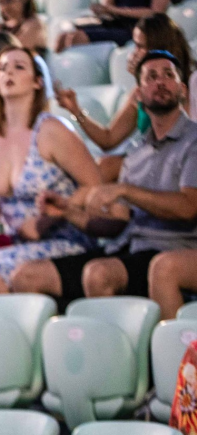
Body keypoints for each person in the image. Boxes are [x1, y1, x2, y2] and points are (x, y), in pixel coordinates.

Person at [12, 51, 197, 313]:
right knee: (27, 276)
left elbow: (189, 207)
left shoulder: (193, 141)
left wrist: (125, 190)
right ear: (139, 94)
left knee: (100, 274)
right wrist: (68, 212)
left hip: (178, 249)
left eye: (169, 75)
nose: (160, 82)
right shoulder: (137, 151)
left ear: (182, 89)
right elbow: (116, 224)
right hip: (131, 250)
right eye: (151, 77)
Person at [0, 46, 101, 306]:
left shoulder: (52, 129)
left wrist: (49, 217)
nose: (8, 72)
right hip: (8, 239)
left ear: (37, 82)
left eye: (19, 67)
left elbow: (95, 185)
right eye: (2, 68)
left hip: (60, 238)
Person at [56, 14, 194, 169]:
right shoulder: (139, 93)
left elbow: (182, 129)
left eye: (140, 46)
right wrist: (75, 109)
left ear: (157, 47)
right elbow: (108, 140)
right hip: (153, 161)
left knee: (108, 167)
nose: (134, 53)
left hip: (182, 160)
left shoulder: (190, 84)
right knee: (98, 166)